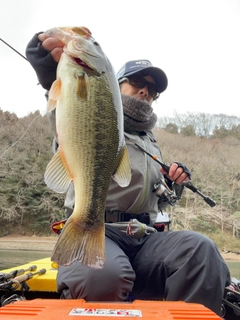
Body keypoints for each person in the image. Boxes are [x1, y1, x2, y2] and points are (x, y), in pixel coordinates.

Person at [25, 30, 230, 316]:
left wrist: (173, 182)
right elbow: (66, 117)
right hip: (100, 229)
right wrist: (51, 78)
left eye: (152, 89)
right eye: (137, 82)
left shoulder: (151, 143)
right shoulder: (95, 108)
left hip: (145, 237)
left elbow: (160, 201)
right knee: (103, 275)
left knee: (201, 251)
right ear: (114, 83)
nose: (145, 90)